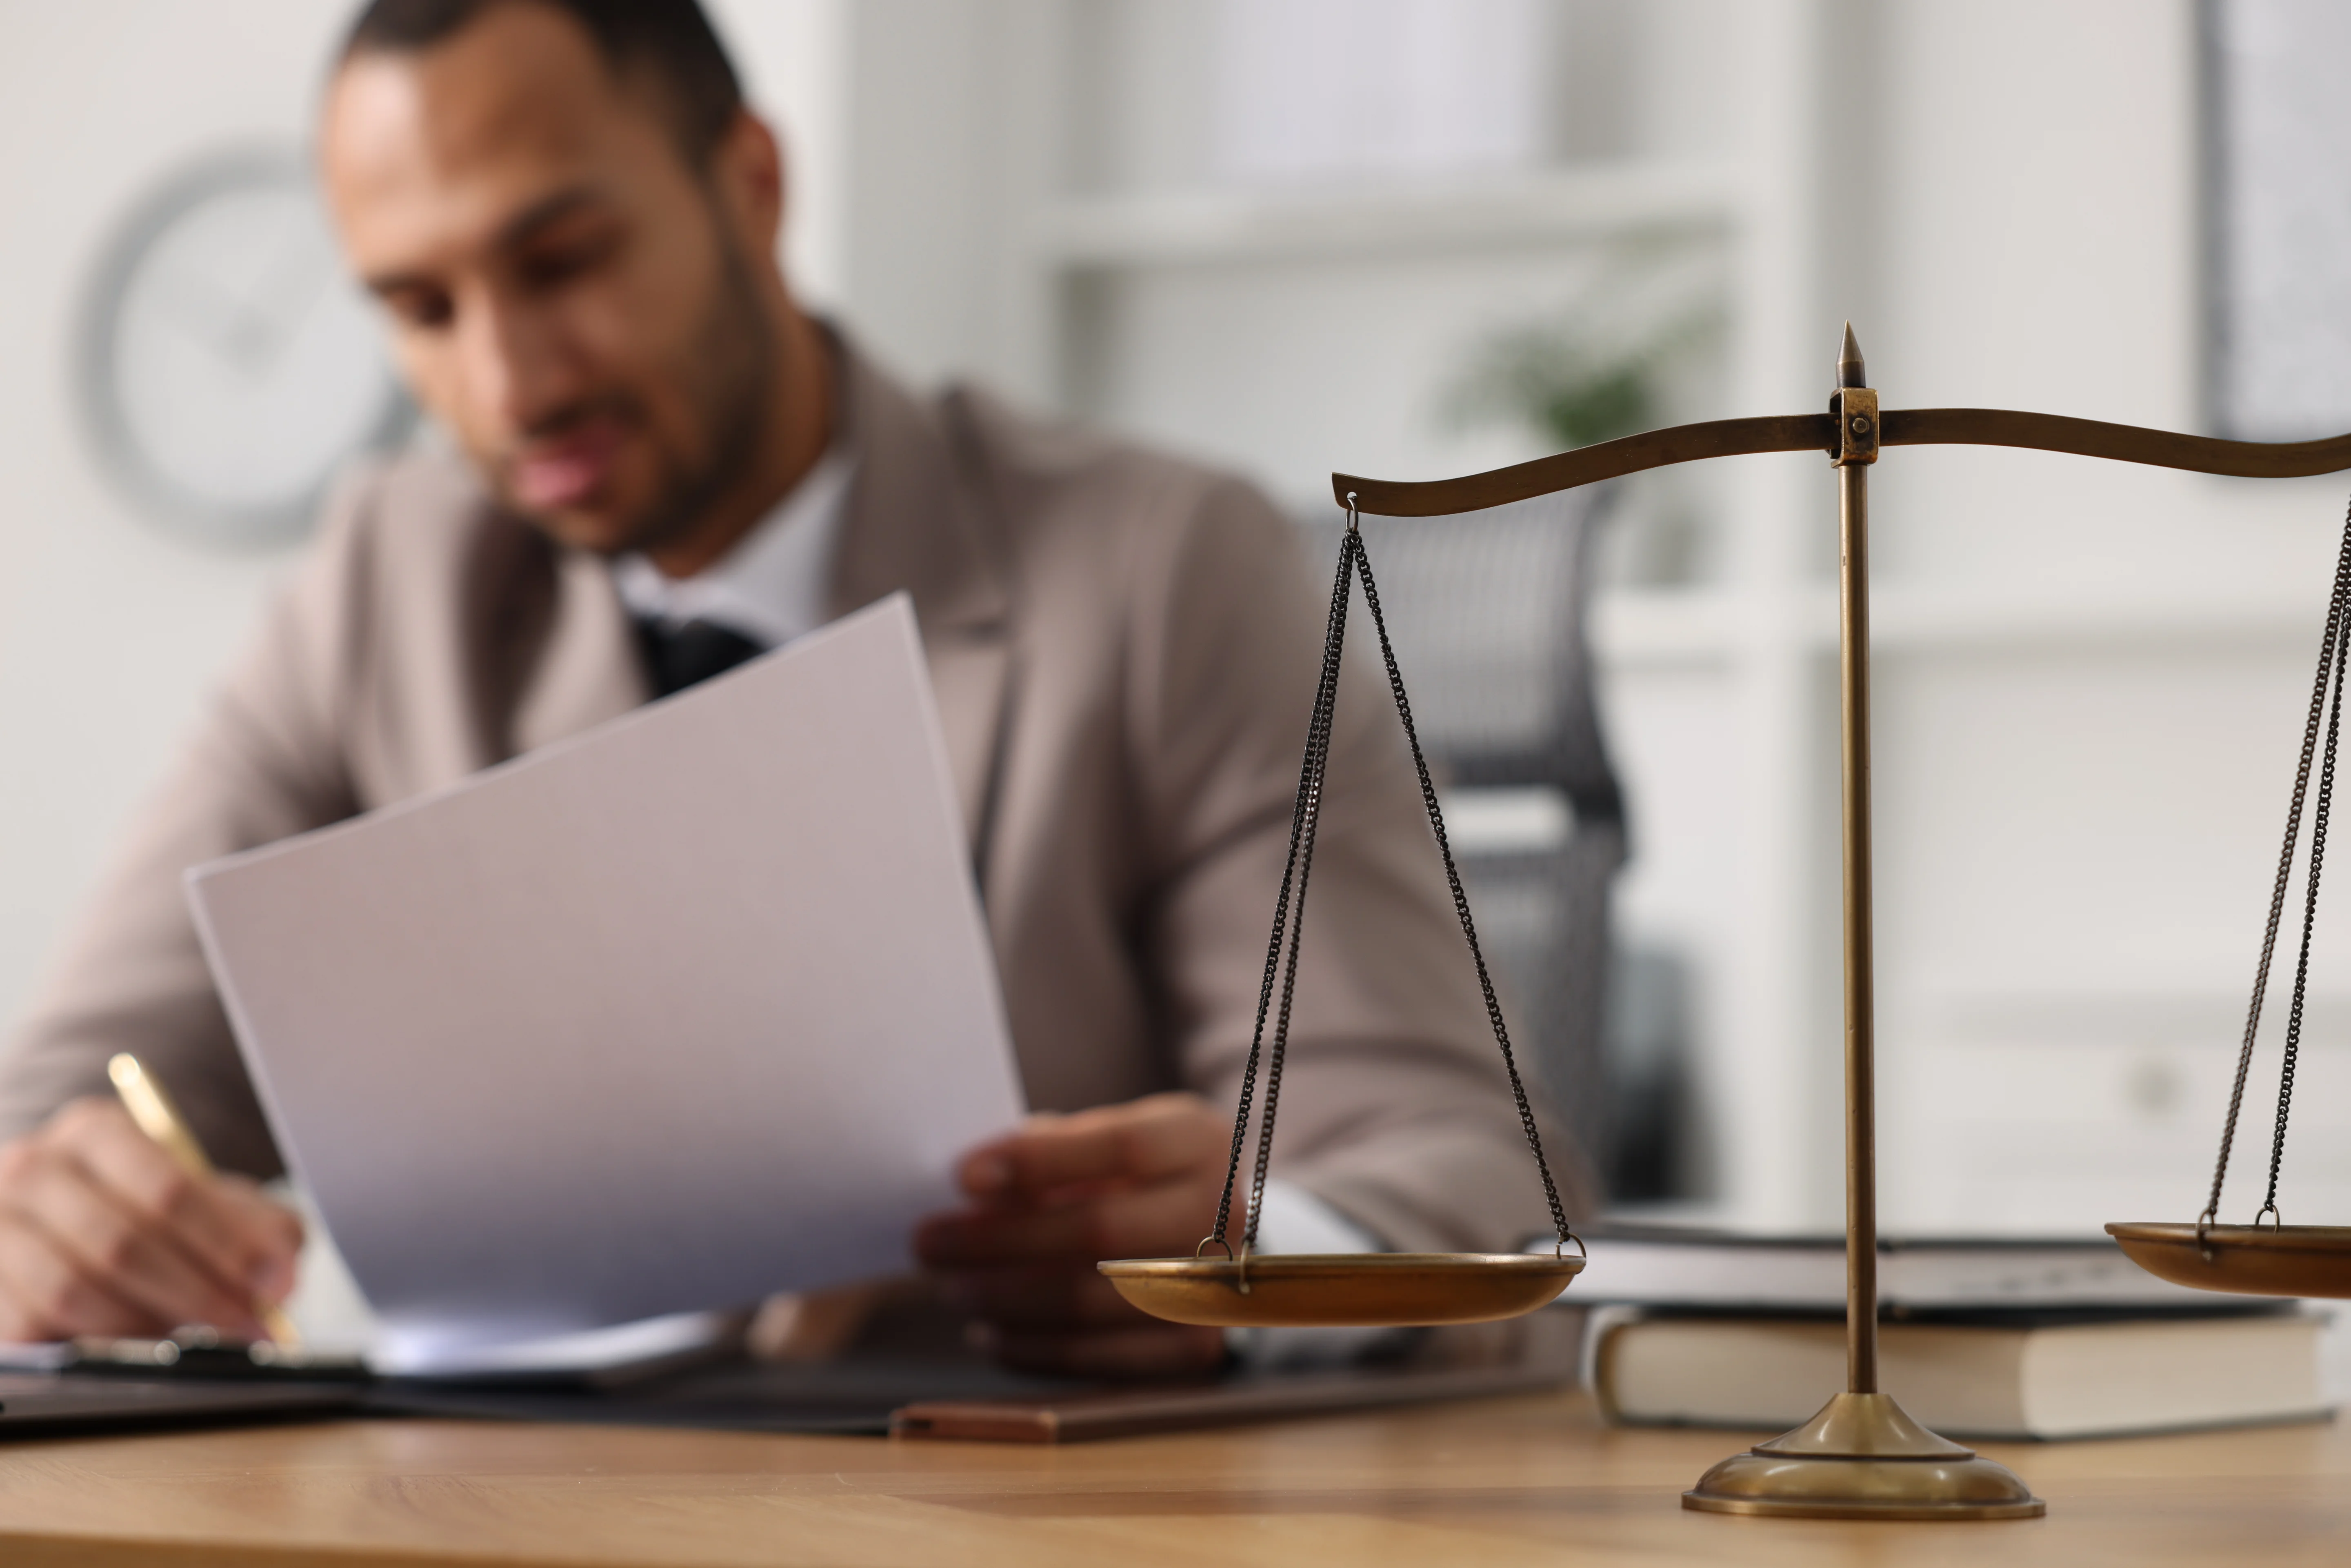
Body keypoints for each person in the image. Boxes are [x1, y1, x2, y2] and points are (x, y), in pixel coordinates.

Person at [0, 0, 1583, 1373]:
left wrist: (1252, 1248)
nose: (505, 382)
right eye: (422, 310)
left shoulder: (1162, 566)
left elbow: (1470, 1183)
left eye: (562, 260)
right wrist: (63, 1208)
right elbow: (83, 1087)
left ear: (750, 185)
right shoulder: (386, 583)